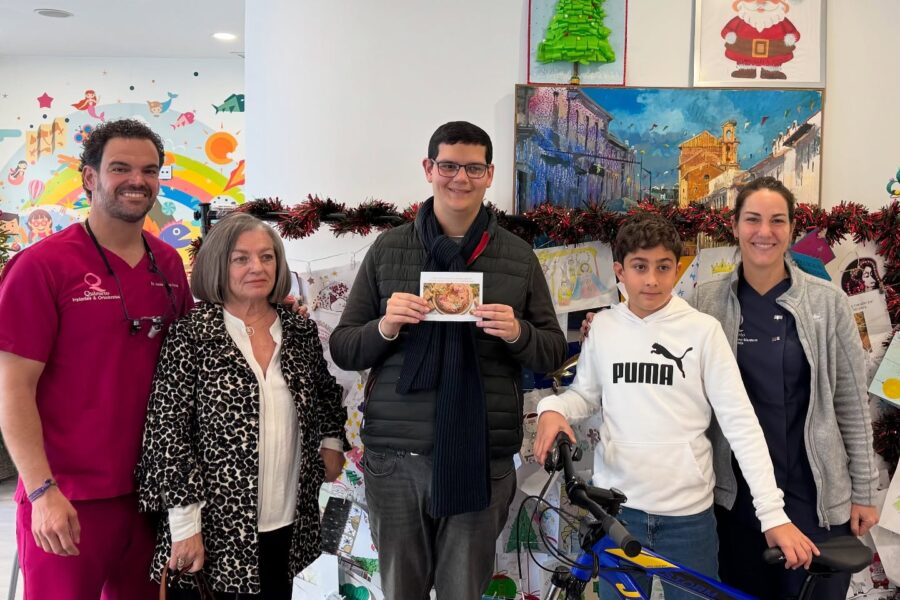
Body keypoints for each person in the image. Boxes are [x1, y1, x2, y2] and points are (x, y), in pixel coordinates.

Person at [329, 121, 567, 599]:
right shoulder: (389, 248)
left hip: (480, 456)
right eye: (449, 166)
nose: (460, 178)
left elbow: (552, 351)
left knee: (464, 591)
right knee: (403, 591)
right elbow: (344, 347)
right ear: (429, 168)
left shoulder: (518, 256)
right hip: (396, 460)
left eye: (473, 168)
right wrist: (385, 326)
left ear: (490, 174)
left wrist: (518, 332)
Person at [534, 215, 815, 600]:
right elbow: (584, 396)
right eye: (640, 267)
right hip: (617, 514)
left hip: (688, 520)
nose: (652, 279)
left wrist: (772, 514)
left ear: (676, 269)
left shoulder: (702, 330)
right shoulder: (604, 328)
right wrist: (552, 408)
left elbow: (740, 424)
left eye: (663, 267)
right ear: (619, 271)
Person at [0, 119, 193, 599]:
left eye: (149, 170)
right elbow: (13, 387)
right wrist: (41, 491)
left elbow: (192, 360)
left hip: (151, 495)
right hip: (68, 497)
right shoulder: (42, 266)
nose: (137, 180)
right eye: (120, 168)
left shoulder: (168, 264)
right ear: (90, 177)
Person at [136, 212, 347, 599]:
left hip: (287, 526)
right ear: (220, 265)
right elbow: (167, 434)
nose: (257, 267)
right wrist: (184, 526)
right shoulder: (192, 334)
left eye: (267, 257)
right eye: (241, 259)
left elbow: (326, 392)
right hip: (212, 533)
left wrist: (332, 444)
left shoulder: (299, 330)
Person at [692, 176, 880, 599]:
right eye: (753, 219)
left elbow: (852, 404)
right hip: (736, 500)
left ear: (792, 228)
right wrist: (607, 325)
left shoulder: (827, 302)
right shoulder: (705, 302)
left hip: (815, 498)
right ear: (735, 226)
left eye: (777, 220)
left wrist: (864, 491)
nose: (765, 231)